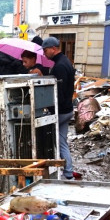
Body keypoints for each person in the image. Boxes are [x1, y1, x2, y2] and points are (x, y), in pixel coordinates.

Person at [39, 36, 77, 180]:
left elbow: (58, 93)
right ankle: (68, 172)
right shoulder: (64, 62)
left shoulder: (60, 65)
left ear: (53, 49)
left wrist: (50, 109)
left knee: (46, 139)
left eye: (45, 50)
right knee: (62, 142)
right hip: (67, 109)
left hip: (61, 110)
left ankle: (49, 172)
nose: (44, 53)